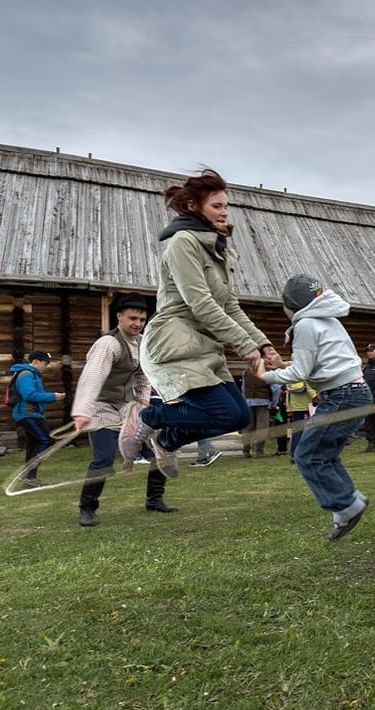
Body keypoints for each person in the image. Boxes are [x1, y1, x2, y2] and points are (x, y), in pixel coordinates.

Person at [119, 169, 282, 475]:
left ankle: (167, 441)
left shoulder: (218, 249)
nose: (224, 212)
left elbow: (229, 305)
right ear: (195, 207)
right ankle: (148, 418)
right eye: (217, 206)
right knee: (221, 412)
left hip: (204, 344)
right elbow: (201, 303)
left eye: (225, 206)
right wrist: (245, 346)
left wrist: (263, 344)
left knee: (238, 417)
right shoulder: (183, 243)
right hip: (174, 339)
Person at [257, 274, 371, 541]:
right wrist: (283, 365)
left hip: (342, 395)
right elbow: (316, 365)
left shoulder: (306, 323)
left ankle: (347, 506)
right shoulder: (327, 320)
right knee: (325, 455)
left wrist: (266, 376)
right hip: (353, 392)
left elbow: (301, 372)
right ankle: (349, 503)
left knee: (307, 456)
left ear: (290, 305)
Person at [71, 294, 178, 526]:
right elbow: (92, 378)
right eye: (132, 318)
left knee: (160, 450)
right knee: (104, 460)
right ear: (119, 316)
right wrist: (82, 411)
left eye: (141, 318)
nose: (137, 323)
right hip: (101, 407)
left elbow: (143, 376)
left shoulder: (143, 343)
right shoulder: (107, 344)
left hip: (129, 407)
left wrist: (143, 403)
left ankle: (155, 499)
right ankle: (87, 509)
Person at [8, 349, 65, 488]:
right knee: (45, 440)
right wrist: (52, 396)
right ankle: (28, 475)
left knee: (34, 443)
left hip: (32, 414)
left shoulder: (33, 375)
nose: (46, 366)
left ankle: (29, 478)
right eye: (45, 363)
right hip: (27, 414)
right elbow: (29, 395)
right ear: (36, 361)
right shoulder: (27, 374)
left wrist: (51, 397)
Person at [241, 365, 278, 458]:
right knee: (262, 427)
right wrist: (274, 402)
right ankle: (259, 451)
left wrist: (245, 399)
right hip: (263, 401)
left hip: (249, 400)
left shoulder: (246, 371)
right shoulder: (267, 372)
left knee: (248, 427)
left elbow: (243, 388)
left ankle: (246, 450)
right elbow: (276, 388)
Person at [284, 373, 317, 462]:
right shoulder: (304, 373)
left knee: (297, 431)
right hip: (306, 406)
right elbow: (309, 387)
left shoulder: (291, 374)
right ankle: (305, 454)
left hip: (294, 406)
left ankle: (294, 454)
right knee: (308, 431)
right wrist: (315, 397)